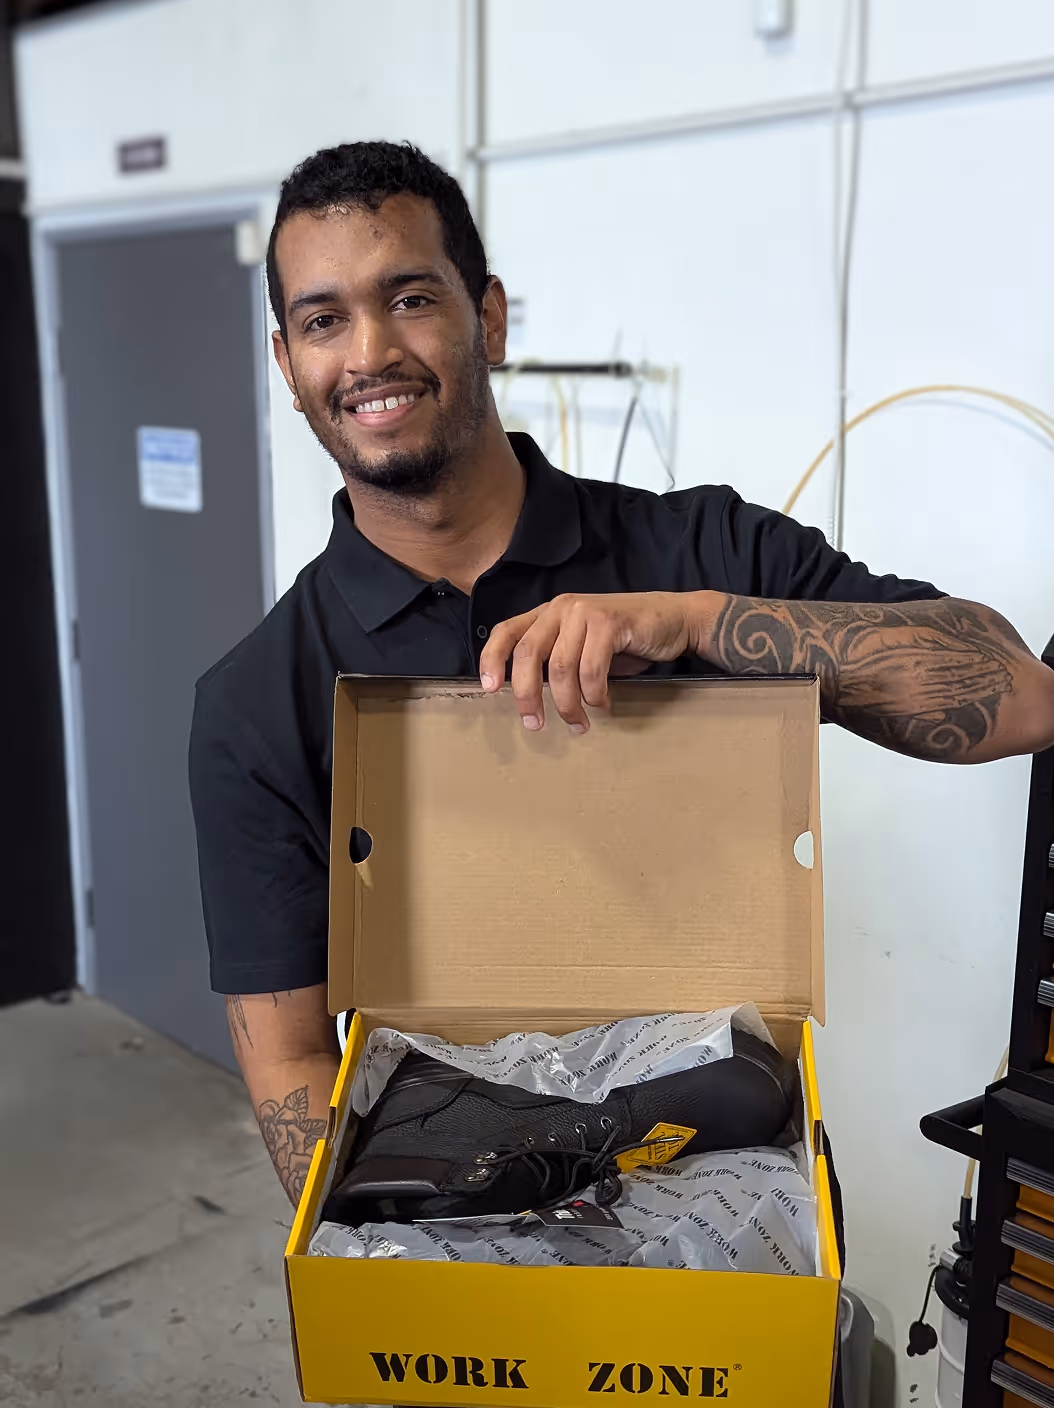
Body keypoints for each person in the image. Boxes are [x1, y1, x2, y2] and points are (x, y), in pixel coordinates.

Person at [189, 140, 1054, 1208]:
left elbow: (1018, 698)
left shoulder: (699, 552)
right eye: (323, 320)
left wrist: (691, 624)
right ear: (288, 365)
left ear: (488, 318)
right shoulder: (254, 701)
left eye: (409, 297)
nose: (369, 352)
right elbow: (288, 1058)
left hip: (730, 1203)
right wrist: (399, 1253)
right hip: (449, 1231)